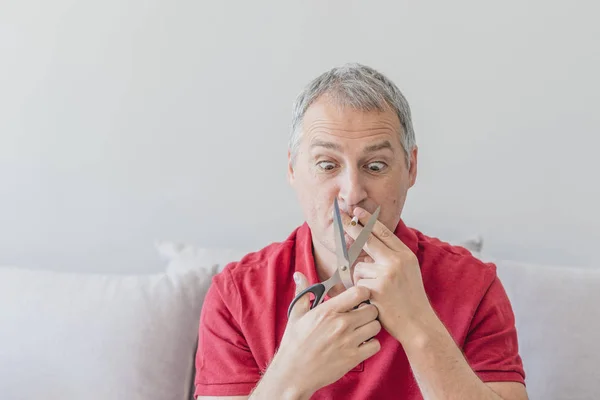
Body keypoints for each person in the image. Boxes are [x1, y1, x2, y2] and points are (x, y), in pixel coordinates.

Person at [193, 63, 528, 400]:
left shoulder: (474, 285)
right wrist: (289, 378)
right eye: (327, 165)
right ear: (293, 168)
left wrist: (418, 326)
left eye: (376, 166)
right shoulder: (236, 295)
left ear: (411, 168)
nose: (352, 193)